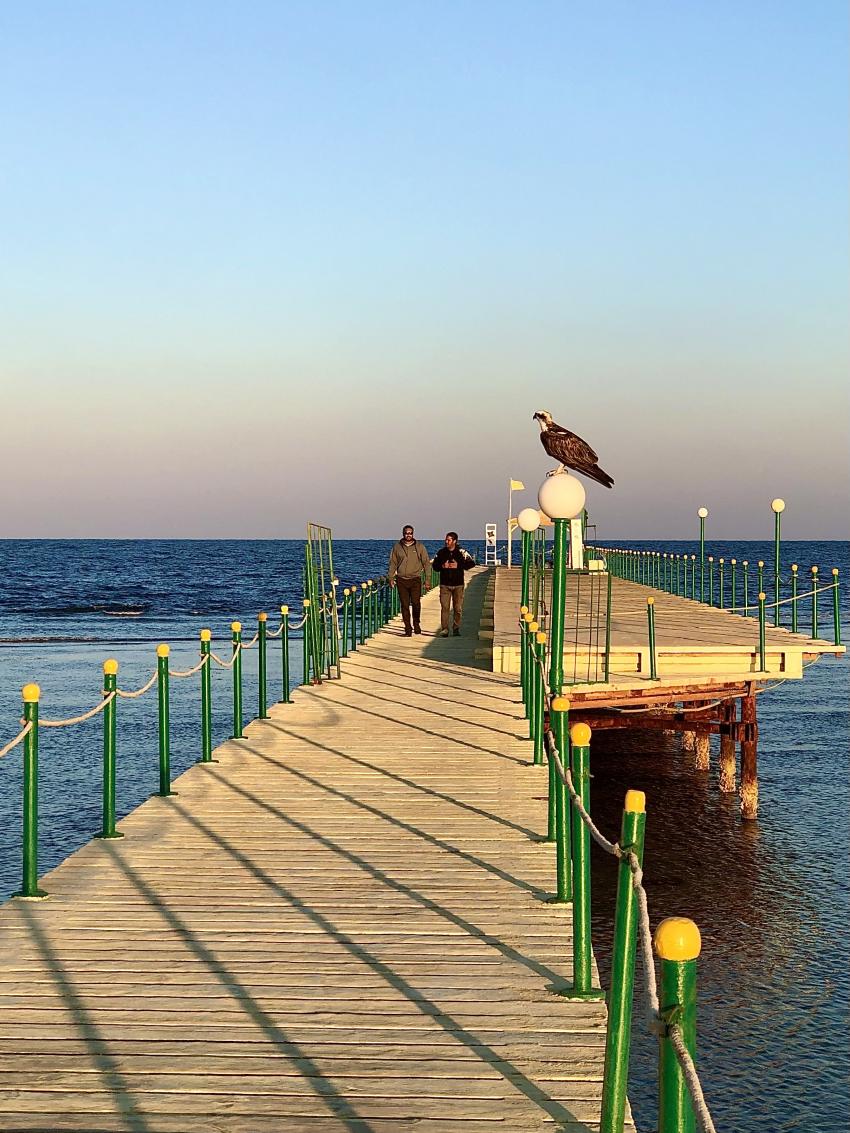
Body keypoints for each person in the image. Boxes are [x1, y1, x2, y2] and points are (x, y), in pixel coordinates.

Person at [387, 525, 431, 636]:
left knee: (416, 604)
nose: (408, 535)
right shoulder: (397, 547)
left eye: (410, 533)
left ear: (413, 534)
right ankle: (408, 628)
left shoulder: (420, 547)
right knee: (404, 605)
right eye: (406, 533)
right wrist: (391, 577)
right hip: (401, 579)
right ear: (403, 533)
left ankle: (416, 623)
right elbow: (393, 563)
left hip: (415, 579)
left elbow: (426, 563)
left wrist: (428, 579)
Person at [432, 532, 475, 637]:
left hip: (458, 585)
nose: (446, 542)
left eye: (449, 540)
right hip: (445, 585)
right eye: (446, 540)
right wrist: (443, 565)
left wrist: (458, 565)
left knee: (457, 608)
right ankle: (445, 629)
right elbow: (435, 566)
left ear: (454, 541)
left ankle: (456, 628)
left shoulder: (461, 552)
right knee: (445, 607)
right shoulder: (441, 552)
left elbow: (472, 563)